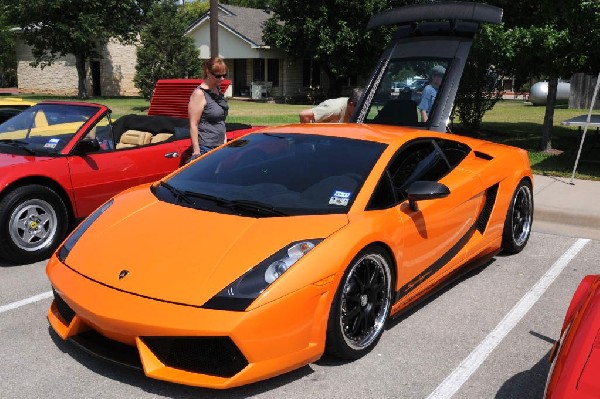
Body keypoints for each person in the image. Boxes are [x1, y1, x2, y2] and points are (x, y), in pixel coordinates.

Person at [188, 57, 229, 162]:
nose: (222, 79)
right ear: (208, 72)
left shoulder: (217, 89)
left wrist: (224, 141)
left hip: (220, 145)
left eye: (224, 75)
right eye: (218, 76)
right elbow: (193, 124)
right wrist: (196, 151)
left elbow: (220, 120)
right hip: (206, 147)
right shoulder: (199, 94)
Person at [299, 88, 364, 123]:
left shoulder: (353, 107)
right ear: (351, 104)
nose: (361, 112)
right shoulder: (333, 108)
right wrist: (310, 138)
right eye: (359, 109)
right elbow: (304, 115)